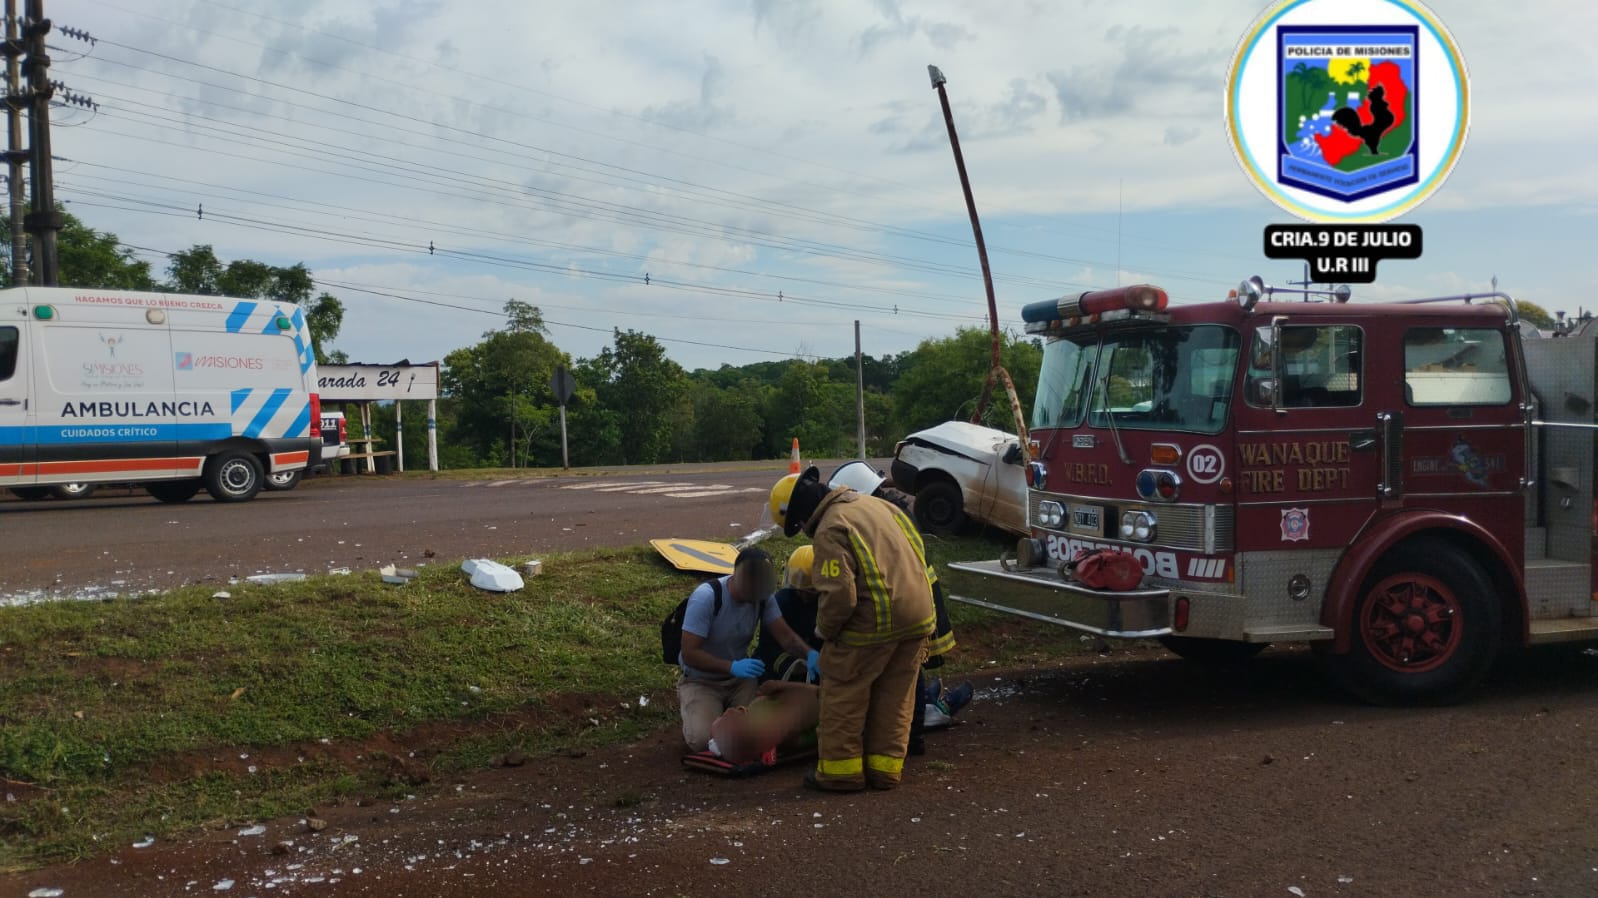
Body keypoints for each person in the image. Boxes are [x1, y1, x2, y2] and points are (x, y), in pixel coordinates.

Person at [767, 465, 935, 792]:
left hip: (874, 623)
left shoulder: (831, 528)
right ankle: (884, 771)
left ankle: (840, 773)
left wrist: (825, 632)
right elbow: (918, 550)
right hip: (918, 617)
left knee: (842, 693)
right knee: (895, 698)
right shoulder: (878, 505)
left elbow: (840, 596)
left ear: (801, 518)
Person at [677, 547, 817, 754]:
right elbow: (689, 654)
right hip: (702, 681)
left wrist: (811, 655)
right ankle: (705, 710)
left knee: (756, 731)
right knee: (702, 741)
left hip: (740, 683)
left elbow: (785, 636)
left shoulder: (763, 598)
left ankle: (726, 714)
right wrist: (731, 666)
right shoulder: (706, 597)